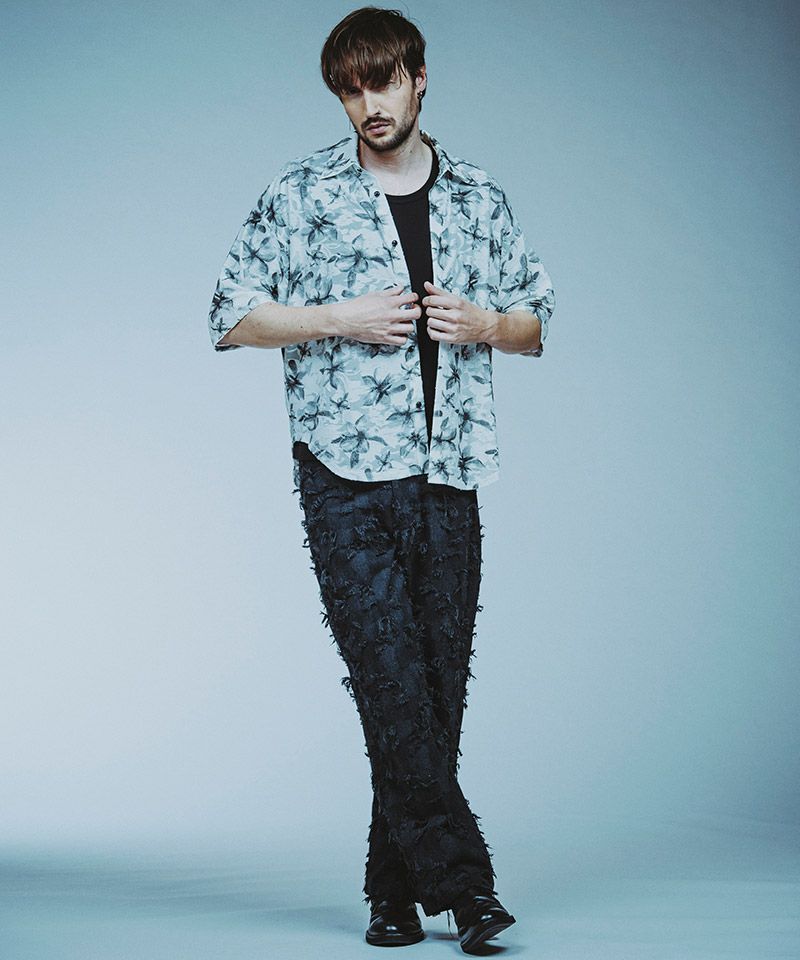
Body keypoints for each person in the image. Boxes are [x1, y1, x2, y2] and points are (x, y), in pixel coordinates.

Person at [207, 6, 554, 953]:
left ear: (420, 78)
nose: (369, 104)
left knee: (432, 691)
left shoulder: (479, 197)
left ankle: (391, 892)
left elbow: (535, 321)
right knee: (390, 682)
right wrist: (337, 316)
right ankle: (469, 892)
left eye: (384, 82)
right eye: (351, 89)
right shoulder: (302, 194)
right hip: (344, 476)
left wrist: (488, 326)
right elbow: (229, 314)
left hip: (449, 470)